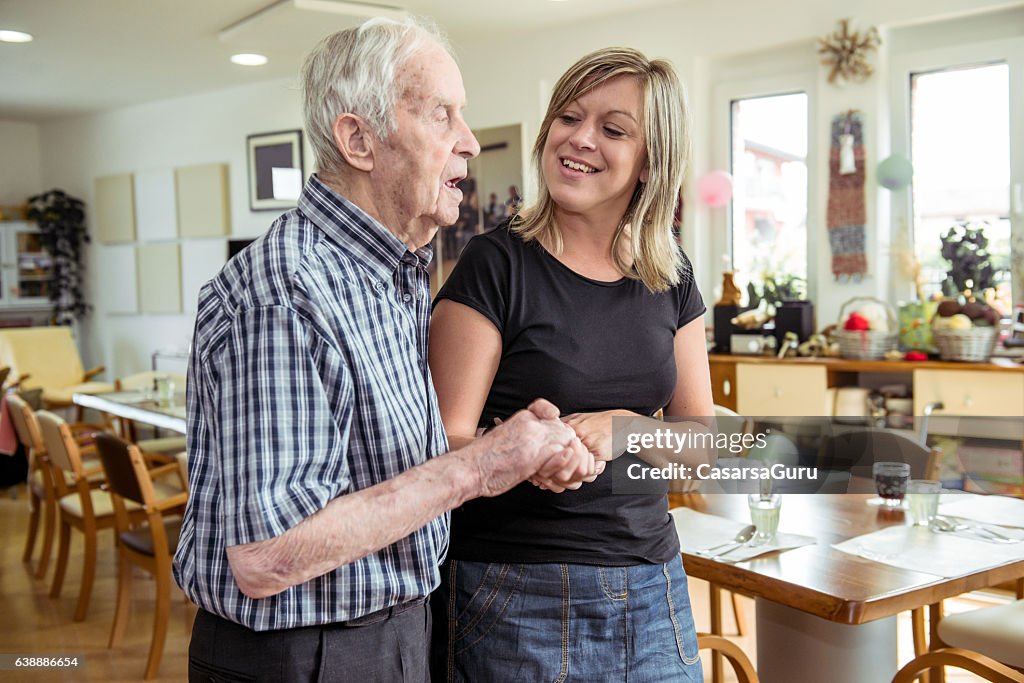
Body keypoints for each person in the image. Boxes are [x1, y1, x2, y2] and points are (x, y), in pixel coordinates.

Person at [172, 17, 594, 683]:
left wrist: (510, 446)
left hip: (396, 632)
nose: (470, 142)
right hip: (308, 655)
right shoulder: (287, 291)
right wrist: (479, 467)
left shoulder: (390, 275)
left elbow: (385, 473)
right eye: (441, 115)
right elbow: (267, 553)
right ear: (358, 140)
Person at [428, 47, 713, 682]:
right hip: (514, 590)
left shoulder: (672, 276)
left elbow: (704, 445)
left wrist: (624, 430)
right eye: (568, 117)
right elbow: (443, 439)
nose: (579, 139)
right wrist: (534, 449)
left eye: (613, 130)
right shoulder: (495, 264)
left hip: (653, 585)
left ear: (650, 162)